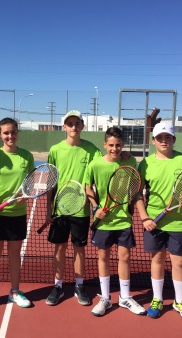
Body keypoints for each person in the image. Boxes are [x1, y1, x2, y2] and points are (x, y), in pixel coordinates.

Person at [135, 121, 182, 323]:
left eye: (167, 137)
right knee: (157, 260)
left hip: (178, 221)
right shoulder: (145, 164)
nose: (164, 141)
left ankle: (180, 301)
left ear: (173, 139)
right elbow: (137, 194)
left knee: (179, 261)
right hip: (153, 221)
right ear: (153, 141)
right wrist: (145, 218)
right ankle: (157, 299)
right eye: (160, 138)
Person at [85, 127, 146, 317]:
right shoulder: (95, 165)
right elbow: (88, 188)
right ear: (104, 145)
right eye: (111, 145)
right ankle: (105, 298)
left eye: (118, 145)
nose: (114, 148)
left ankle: (125, 297)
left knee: (124, 258)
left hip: (123, 220)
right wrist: (95, 207)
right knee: (103, 257)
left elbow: (135, 190)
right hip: (102, 221)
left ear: (123, 145)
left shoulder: (130, 161)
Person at [44, 110, 102, 306]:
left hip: (81, 210)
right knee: (59, 248)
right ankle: (58, 286)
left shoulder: (92, 150)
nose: (73, 127)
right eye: (70, 124)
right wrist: (48, 209)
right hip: (60, 209)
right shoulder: (55, 150)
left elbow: (104, 166)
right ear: (64, 127)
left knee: (79, 249)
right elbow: (51, 182)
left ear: (82, 126)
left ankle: (79, 285)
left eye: (77, 123)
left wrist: (125, 154)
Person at [0, 117, 35, 312]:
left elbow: (31, 184)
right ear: (0, 134)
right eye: (6, 133)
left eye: (13, 132)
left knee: (14, 254)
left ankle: (15, 291)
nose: (10, 136)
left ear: (18, 132)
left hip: (17, 214)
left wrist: (26, 196)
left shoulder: (27, 157)